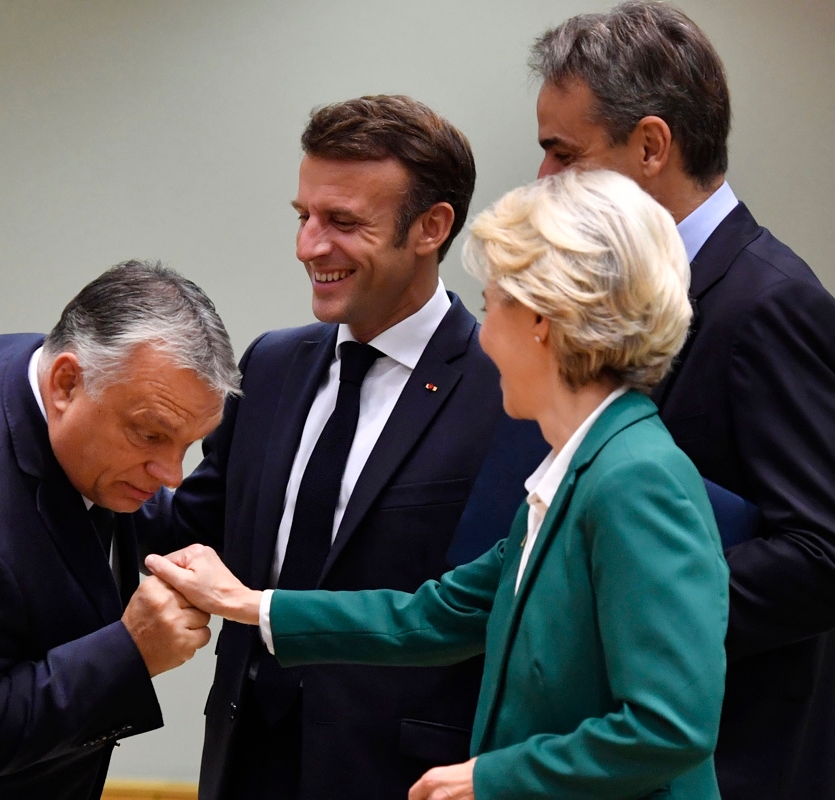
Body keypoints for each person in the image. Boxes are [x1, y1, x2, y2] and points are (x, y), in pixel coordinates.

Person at [150, 169, 731, 800]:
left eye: (492, 305)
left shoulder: (634, 477)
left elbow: (669, 728)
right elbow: (437, 614)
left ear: (543, 319)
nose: (482, 334)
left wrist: (492, 777)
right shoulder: (579, 470)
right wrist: (247, 604)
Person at [458, 5, 835, 795]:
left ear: (653, 145)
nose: (544, 180)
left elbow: (820, 554)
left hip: (725, 761)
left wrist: (616, 605)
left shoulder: (770, 302)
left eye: (564, 153)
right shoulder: (605, 292)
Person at [137, 95, 508, 799]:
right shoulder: (272, 366)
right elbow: (190, 529)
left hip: (403, 776)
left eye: (342, 222)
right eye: (303, 216)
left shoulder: (503, 389)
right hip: (246, 759)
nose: (310, 246)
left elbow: (492, 612)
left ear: (432, 227)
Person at [0, 260, 239, 800]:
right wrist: (130, 652)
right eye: (150, 434)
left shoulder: (25, 361)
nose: (172, 474)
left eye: (188, 445)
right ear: (66, 383)